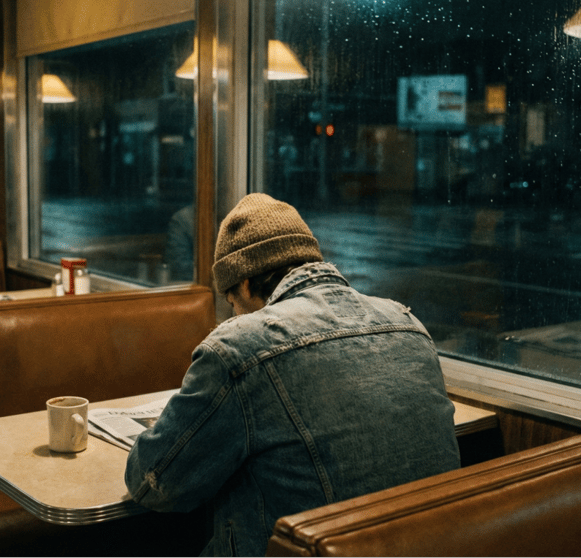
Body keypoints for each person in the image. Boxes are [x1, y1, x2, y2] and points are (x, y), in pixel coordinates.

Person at [124, 193, 461, 557]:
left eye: (232, 303)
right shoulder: (408, 324)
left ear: (247, 284)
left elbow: (153, 482)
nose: (234, 315)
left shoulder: (240, 348)